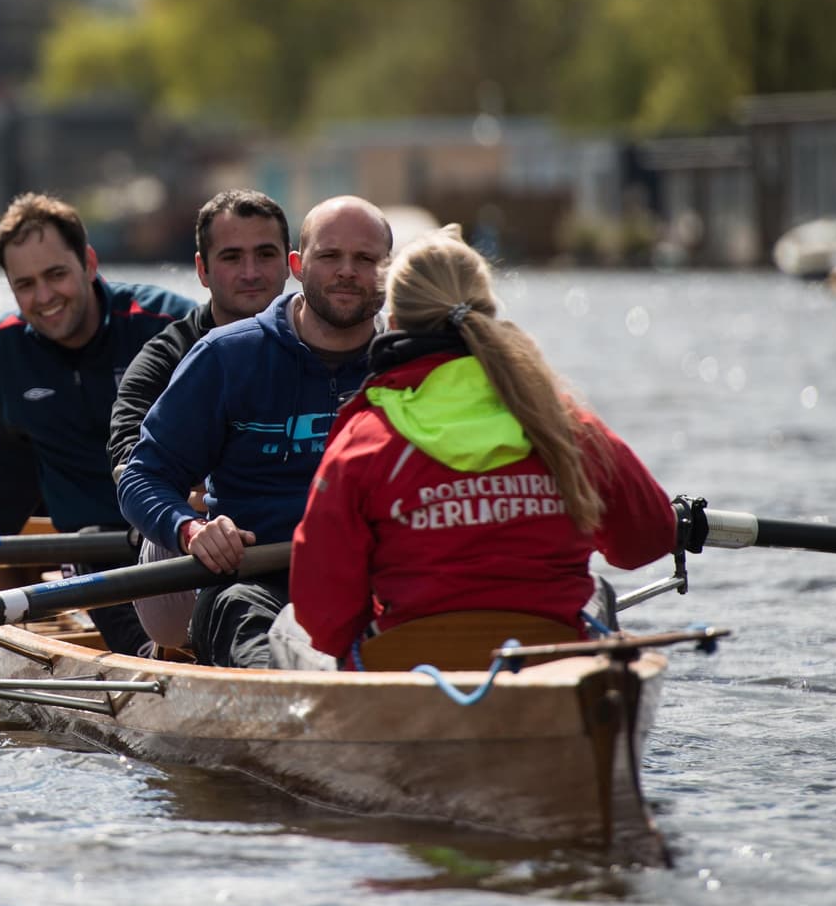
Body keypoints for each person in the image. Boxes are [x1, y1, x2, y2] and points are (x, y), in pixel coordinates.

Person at [286, 226, 675, 667]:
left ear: (393, 324)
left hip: (412, 672)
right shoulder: (564, 423)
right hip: (551, 664)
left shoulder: (364, 437)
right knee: (598, 594)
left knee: (288, 627)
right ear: (488, 313)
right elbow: (649, 540)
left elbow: (324, 615)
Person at [117, 195, 393, 667]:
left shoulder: (405, 364)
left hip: (376, 581)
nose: (347, 271)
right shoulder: (226, 357)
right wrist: (191, 530)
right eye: (330, 256)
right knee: (239, 608)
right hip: (253, 583)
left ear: (388, 271)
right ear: (298, 266)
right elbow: (141, 476)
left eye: (365, 259)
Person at [0, 192, 195, 657]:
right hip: (91, 546)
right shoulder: (5, 350)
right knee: (89, 547)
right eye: (26, 285)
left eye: (56, 275)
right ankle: (152, 661)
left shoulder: (167, 323)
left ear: (89, 263)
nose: (44, 298)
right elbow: (5, 474)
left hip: (176, 531)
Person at [106, 189, 291, 652]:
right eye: (232, 257)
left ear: (290, 263)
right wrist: (196, 514)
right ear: (203, 270)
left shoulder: (322, 344)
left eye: (264, 255)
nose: (251, 273)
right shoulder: (169, 355)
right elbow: (129, 462)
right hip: (191, 542)